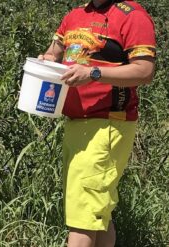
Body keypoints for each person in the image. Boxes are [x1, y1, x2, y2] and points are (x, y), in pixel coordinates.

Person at [38, 0, 155, 246]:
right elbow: (54, 50)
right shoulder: (75, 14)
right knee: (97, 214)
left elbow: (144, 71)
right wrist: (47, 58)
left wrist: (93, 72)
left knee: (82, 219)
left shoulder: (132, 15)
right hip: (75, 123)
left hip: (108, 124)